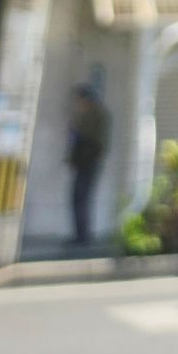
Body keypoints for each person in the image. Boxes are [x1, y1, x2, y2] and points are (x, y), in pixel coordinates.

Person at [66, 83, 110, 246]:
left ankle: (82, 236)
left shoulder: (93, 114)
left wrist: (78, 158)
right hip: (85, 162)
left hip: (87, 163)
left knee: (80, 198)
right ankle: (80, 234)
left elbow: (88, 140)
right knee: (79, 198)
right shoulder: (89, 114)